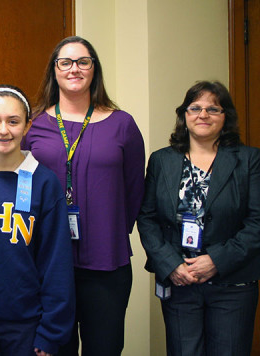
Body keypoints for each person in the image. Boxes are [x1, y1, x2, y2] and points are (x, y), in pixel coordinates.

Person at [22, 36, 145, 355]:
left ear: (94, 69)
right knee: (53, 349)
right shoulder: (34, 125)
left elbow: (134, 192)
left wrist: (106, 230)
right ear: (54, 70)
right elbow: (20, 190)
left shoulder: (123, 124)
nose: (74, 68)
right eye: (65, 62)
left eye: (83, 61)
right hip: (46, 262)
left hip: (106, 264)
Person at [138, 80, 260, 355]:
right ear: (184, 115)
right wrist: (170, 264)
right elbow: (147, 218)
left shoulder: (250, 160)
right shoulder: (161, 160)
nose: (203, 115)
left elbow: (257, 223)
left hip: (232, 284)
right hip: (180, 282)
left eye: (213, 109)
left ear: (225, 116)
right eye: (195, 107)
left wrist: (216, 260)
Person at [0, 85, 75, 356]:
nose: (3, 130)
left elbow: (56, 261)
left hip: (26, 326)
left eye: (13, 121)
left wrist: (51, 332)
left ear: (28, 125)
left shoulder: (44, 183)